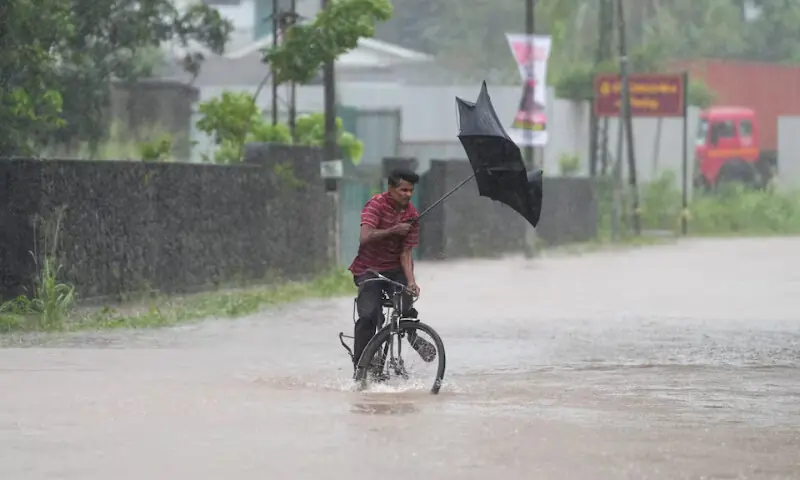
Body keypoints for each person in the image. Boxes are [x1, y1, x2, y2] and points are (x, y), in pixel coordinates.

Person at [348, 167, 435, 374]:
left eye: (410, 191)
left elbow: (406, 253)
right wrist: (393, 230)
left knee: (406, 305)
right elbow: (365, 236)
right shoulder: (376, 205)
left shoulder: (412, 214)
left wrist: (411, 281)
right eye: (403, 190)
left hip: (394, 269)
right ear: (391, 189)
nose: (408, 195)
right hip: (368, 270)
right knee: (368, 316)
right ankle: (360, 366)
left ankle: (412, 334)